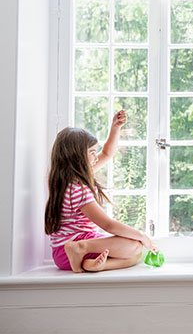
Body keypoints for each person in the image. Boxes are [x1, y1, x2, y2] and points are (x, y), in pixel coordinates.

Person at [44, 110, 157, 272]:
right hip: (71, 249)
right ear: (77, 157)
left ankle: (88, 265)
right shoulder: (78, 189)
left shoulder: (67, 181)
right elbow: (108, 224)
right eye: (91, 153)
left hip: (62, 254)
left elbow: (106, 153)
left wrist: (115, 128)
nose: (96, 157)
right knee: (135, 246)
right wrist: (141, 235)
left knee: (135, 255)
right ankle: (81, 249)